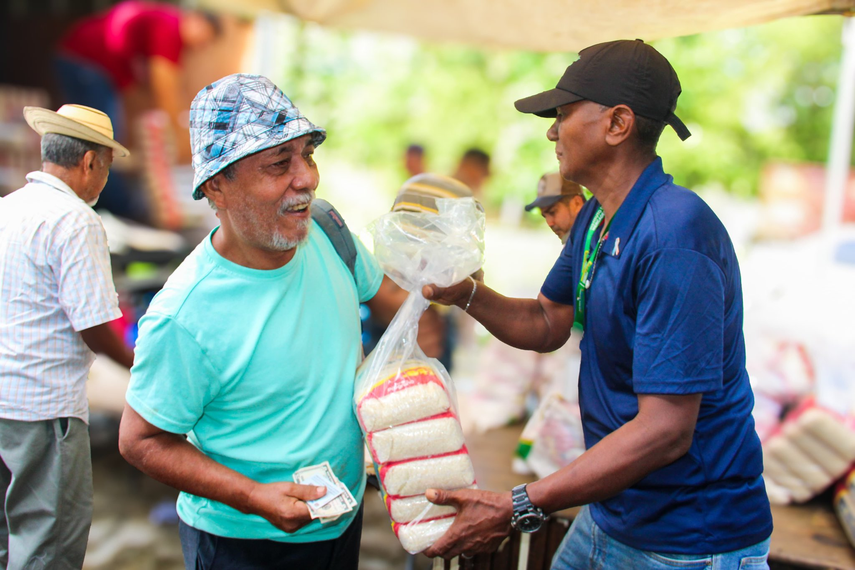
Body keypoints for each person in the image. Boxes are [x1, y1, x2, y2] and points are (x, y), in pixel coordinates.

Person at [421, 39, 773, 568]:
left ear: (618, 124)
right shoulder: (597, 219)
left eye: (562, 114)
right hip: (614, 512)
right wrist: (467, 293)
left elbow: (665, 432)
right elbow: (546, 321)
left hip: (688, 539)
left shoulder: (675, 235)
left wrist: (517, 503)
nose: (551, 131)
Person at [117, 73, 427, 570]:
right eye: (279, 164)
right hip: (244, 541)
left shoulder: (328, 231)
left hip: (340, 521)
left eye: (308, 155)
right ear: (217, 185)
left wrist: (440, 277)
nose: (306, 178)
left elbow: (396, 301)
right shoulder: (185, 315)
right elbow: (141, 440)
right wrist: (253, 496)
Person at [0, 104, 135, 569]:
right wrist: (140, 367)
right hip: (43, 408)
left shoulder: (8, 208)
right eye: (107, 166)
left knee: (5, 539)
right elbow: (94, 323)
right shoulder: (75, 219)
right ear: (90, 162)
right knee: (48, 545)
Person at [55, 1, 222, 220]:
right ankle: (112, 205)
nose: (201, 46)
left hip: (82, 58)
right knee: (101, 136)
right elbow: (164, 84)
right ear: (196, 20)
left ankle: (98, 200)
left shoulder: (165, 26)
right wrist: (180, 134)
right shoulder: (170, 27)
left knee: (94, 136)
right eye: (205, 38)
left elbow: (148, 87)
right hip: (86, 60)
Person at [524, 172, 586, 243]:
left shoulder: (596, 240)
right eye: (544, 216)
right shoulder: (577, 242)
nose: (549, 223)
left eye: (552, 212)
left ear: (577, 203)